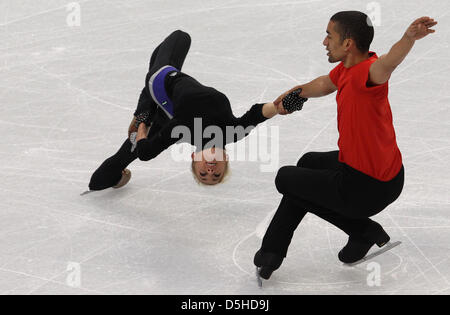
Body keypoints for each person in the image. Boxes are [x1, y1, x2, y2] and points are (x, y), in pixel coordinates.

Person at [254, 12, 437, 280]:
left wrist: (408, 39)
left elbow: (389, 63)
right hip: (386, 174)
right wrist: (296, 93)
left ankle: (362, 230)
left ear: (348, 43)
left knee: (286, 179)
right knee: (308, 163)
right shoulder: (347, 69)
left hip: (366, 188)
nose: (325, 42)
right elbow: (326, 83)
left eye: (330, 35)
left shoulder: (369, 73)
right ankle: (279, 251)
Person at [87, 30, 299, 190]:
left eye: (203, 174)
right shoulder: (232, 132)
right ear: (225, 159)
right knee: (177, 42)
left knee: (180, 37)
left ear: (193, 158)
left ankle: (145, 113)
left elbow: (146, 153)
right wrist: (279, 107)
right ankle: (147, 113)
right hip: (168, 102)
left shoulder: (182, 130)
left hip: (160, 84)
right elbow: (256, 114)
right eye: (216, 175)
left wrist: (142, 130)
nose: (210, 171)